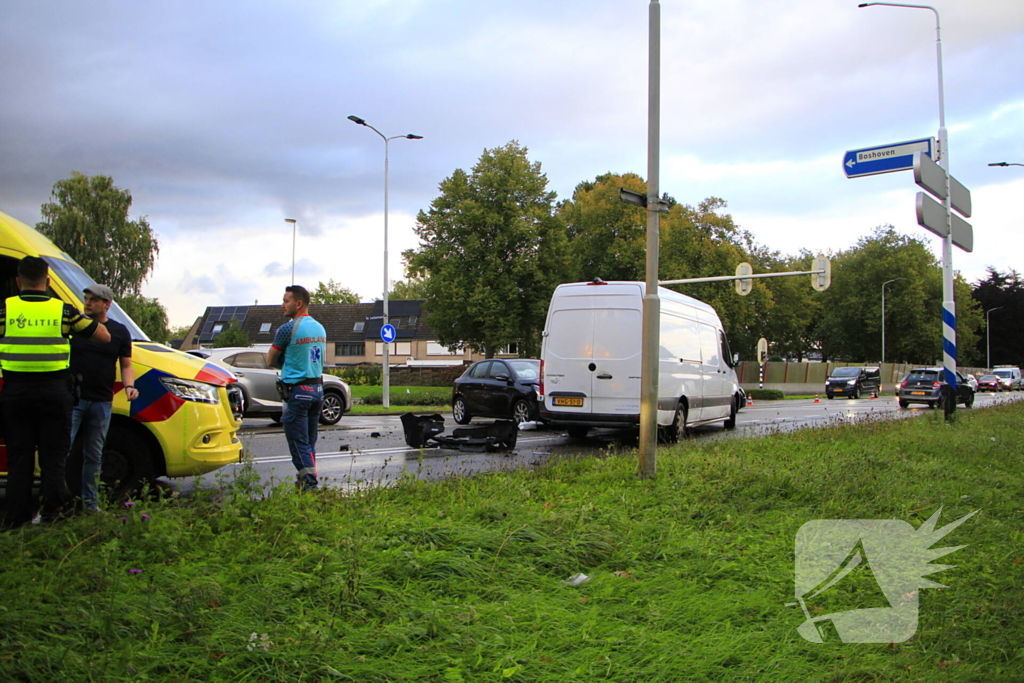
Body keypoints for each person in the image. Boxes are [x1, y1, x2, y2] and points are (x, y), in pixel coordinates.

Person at [0, 256, 110, 530]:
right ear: (48, 281)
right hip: (53, 393)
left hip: (15, 393)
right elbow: (104, 337)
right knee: (53, 458)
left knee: (19, 458)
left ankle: (16, 519)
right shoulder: (65, 312)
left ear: (18, 281)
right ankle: (52, 516)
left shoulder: (4, 310)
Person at [69, 284, 139, 514]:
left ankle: (91, 505)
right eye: (86, 298)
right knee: (61, 451)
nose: (87, 303)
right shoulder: (75, 326)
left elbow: (126, 364)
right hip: (73, 399)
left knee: (94, 454)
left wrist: (130, 386)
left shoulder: (119, 331)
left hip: (101, 400)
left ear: (107, 304)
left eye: (94, 300)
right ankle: (53, 502)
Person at [266, 285, 327, 491]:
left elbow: (269, 360)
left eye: (286, 301)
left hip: (297, 393)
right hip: (317, 391)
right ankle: (306, 479)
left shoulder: (287, 329)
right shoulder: (320, 328)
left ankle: (310, 484)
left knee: (297, 441)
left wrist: (287, 362)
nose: (282, 305)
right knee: (309, 442)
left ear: (298, 303)